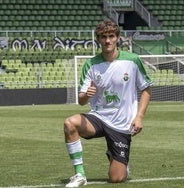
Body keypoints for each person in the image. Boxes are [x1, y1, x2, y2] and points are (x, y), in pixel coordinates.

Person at [63, 18, 152, 187]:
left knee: (116, 178)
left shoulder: (132, 61)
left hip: (122, 124)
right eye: (103, 37)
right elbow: (82, 101)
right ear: (98, 39)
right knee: (70, 123)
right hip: (99, 117)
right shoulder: (91, 65)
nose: (108, 40)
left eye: (111, 36)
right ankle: (79, 175)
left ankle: (116, 157)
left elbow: (146, 89)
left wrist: (139, 117)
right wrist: (86, 95)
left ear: (118, 38)